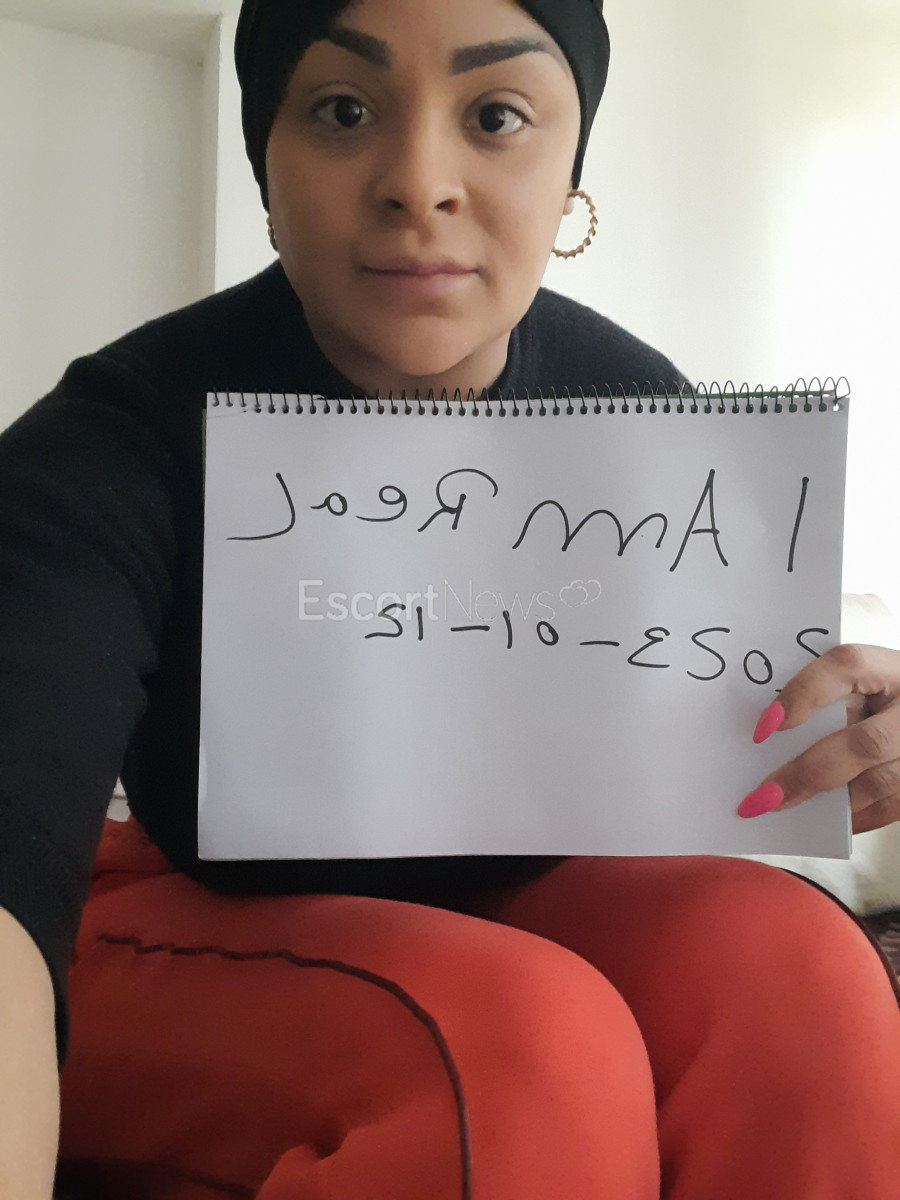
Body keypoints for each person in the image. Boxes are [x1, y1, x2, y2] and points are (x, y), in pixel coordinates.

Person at [1, 0, 899, 1196]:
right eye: (341, 110)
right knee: (515, 1047)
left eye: (497, 115)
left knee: (802, 970)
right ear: (265, 162)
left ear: (571, 171)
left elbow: (701, 724)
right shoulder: (116, 440)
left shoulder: (638, 408)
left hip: (519, 899)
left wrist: (848, 729)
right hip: (178, 909)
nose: (419, 184)